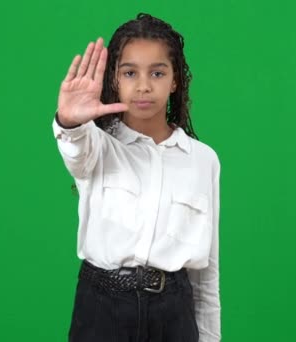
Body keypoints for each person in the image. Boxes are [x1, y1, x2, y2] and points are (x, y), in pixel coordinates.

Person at [52, 13, 221, 342]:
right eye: (130, 72)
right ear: (114, 78)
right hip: (102, 308)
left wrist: (211, 338)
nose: (144, 85)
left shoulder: (203, 161)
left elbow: (207, 273)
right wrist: (69, 122)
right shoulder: (97, 145)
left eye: (157, 72)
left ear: (175, 80)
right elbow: (75, 148)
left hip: (174, 312)